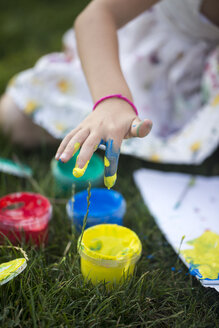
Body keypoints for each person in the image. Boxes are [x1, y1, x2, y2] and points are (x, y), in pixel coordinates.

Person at [1, 0, 219, 188]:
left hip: (202, 81)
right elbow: (95, 16)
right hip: (144, 60)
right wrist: (112, 100)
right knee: (13, 119)